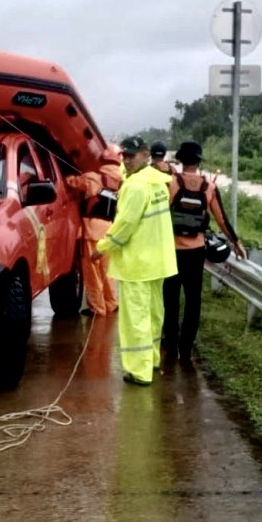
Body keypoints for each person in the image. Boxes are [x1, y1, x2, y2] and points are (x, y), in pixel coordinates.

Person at [93, 136, 177, 386]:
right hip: (158, 261)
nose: (127, 160)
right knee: (153, 315)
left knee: (136, 320)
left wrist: (101, 247)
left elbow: (124, 226)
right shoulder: (156, 181)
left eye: (132, 155)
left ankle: (138, 371)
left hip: (138, 264)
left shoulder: (135, 187)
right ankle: (150, 361)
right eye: (124, 156)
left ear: (145, 154)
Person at [163, 141, 247, 362]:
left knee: (170, 299)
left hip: (171, 251)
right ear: (199, 162)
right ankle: (186, 348)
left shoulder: (171, 183)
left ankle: (170, 345)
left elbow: (161, 215)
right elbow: (221, 219)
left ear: (181, 161)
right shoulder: (209, 187)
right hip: (196, 251)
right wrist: (236, 242)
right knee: (193, 300)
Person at [65, 144, 124, 316]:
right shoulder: (121, 182)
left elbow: (71, 182)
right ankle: (111, 303)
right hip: (110, 230)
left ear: (103, 159)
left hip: (92, 230)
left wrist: (69, 174)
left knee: (92, 271)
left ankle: (97, 308)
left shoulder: (92, 177)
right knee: (107, 271)